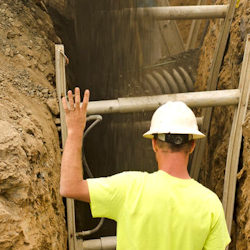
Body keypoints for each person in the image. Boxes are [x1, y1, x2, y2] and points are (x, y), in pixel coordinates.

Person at [60, 87, 231, 250]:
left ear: (154, 143)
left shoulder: (130, 188)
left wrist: (75, 130)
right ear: (192, 145)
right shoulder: (211, 205)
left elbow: (70, 187)